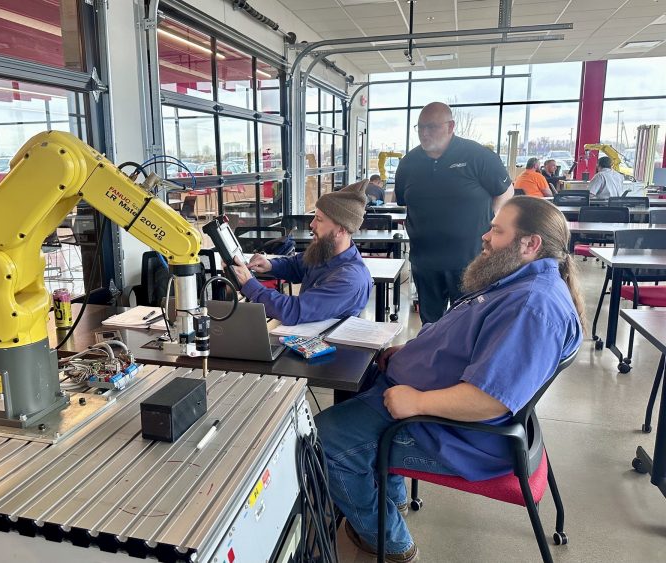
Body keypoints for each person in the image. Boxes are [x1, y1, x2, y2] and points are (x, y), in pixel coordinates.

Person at [315, 197, 584, 562]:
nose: (485, 236)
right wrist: (410, 354)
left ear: (530, 244)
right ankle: (389, 497)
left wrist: (417, 402)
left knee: (325, 440)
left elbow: (490, 400)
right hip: (426, 404)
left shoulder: (532, 307)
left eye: (497, 230)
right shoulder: (516, 281)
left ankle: (391, 542)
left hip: (453, 433)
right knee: (356, 393)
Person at [394, 102, 514, 324]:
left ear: (450, 126)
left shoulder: (478, 156)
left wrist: (492, 222)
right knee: (430, 325)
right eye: (420, 127)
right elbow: (403, 201)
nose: (424, 133)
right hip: (425, 262)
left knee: (468, 324)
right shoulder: (408, 163)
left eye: (431, 127)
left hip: (470, 260)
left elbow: (506, 192)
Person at [231, 180, 372, 325]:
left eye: (319, 220)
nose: (312, 224)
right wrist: (270, 265)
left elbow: (293, 311)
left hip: (326, 339)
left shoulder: (349, 280)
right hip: (306, 333)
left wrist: (250, 284)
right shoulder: (327, 251)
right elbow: (296, 265)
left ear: (341, 230)